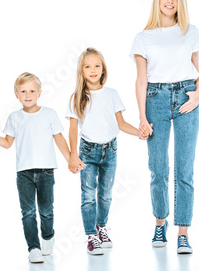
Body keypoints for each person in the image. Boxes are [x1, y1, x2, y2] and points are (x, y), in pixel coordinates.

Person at [130, 0, 199, 254]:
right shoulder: (143, 37)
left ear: (180, 2)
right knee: (158, 168)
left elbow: (198, 73)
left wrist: (198, 94)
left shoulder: (190, 32)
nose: (170, 1)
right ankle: (160, 223)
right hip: (155, 100)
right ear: (158, 0)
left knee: (185, 169)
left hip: (187, 97)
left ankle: (183, 232)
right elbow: (140, 81)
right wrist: (141, 117)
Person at [0, 72, 74, 263]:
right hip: (24, 172)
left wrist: (70, 159)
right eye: (23, 91)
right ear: (16, 94)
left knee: (46, 210)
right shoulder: (15, 117)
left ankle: (48, 236)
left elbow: (59, 138)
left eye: (32, 91)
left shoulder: (49, 114)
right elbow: (8, 142)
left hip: (46, 171)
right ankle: (33, 247)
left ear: (39, 93)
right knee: (27, 211)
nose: (28, 95)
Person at [66, 48, 141, 255]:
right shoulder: (77, 97)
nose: (93, 70)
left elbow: (121, 124)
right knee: (88, 195)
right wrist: (73, 154)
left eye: (97, 66)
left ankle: (102, 227)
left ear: (103, 69)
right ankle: (91, 235)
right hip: (87, 151)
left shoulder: (112, 94)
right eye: (88, 66)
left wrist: (140, 133)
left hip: (111, 150)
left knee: (106, 195)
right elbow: (73, 130)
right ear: (81, 71)